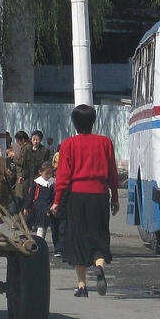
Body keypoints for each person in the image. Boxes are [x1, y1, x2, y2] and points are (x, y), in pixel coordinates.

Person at [50, 104, 119, 297]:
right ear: (93, 121)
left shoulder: (68, 144)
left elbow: (63, 176)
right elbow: (112, 172)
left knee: (77, 238)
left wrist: (56, 201)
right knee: (98, 235)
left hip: (76, 196)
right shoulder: (105, 142)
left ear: (74, 123)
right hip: (100, 195)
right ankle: (99, 265)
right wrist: (114, 196)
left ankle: (81, 286)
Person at [24, 160, 57, 242]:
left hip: (48, 207)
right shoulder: (37, 183)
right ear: (40, 172)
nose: (49, 176)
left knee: (44, 227)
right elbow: (30, 196)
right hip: (38, 207)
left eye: (50, 173)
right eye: (47, 173)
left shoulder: (53, 183)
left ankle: (41, 242)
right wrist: (26, 207)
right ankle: (39, 242)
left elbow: (54, 196)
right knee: (39, 226)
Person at [17, 130, 51, 204]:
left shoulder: (44, 151)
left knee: (36, 197)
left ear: (41, 140)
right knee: (26, 197)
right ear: (31, 139)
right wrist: (22, 176)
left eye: (37, 140)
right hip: (28, 178)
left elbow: (45, 167)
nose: (35, 142)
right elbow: (25, 165)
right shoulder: (27, 149)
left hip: (38, 178)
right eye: (34, 139)